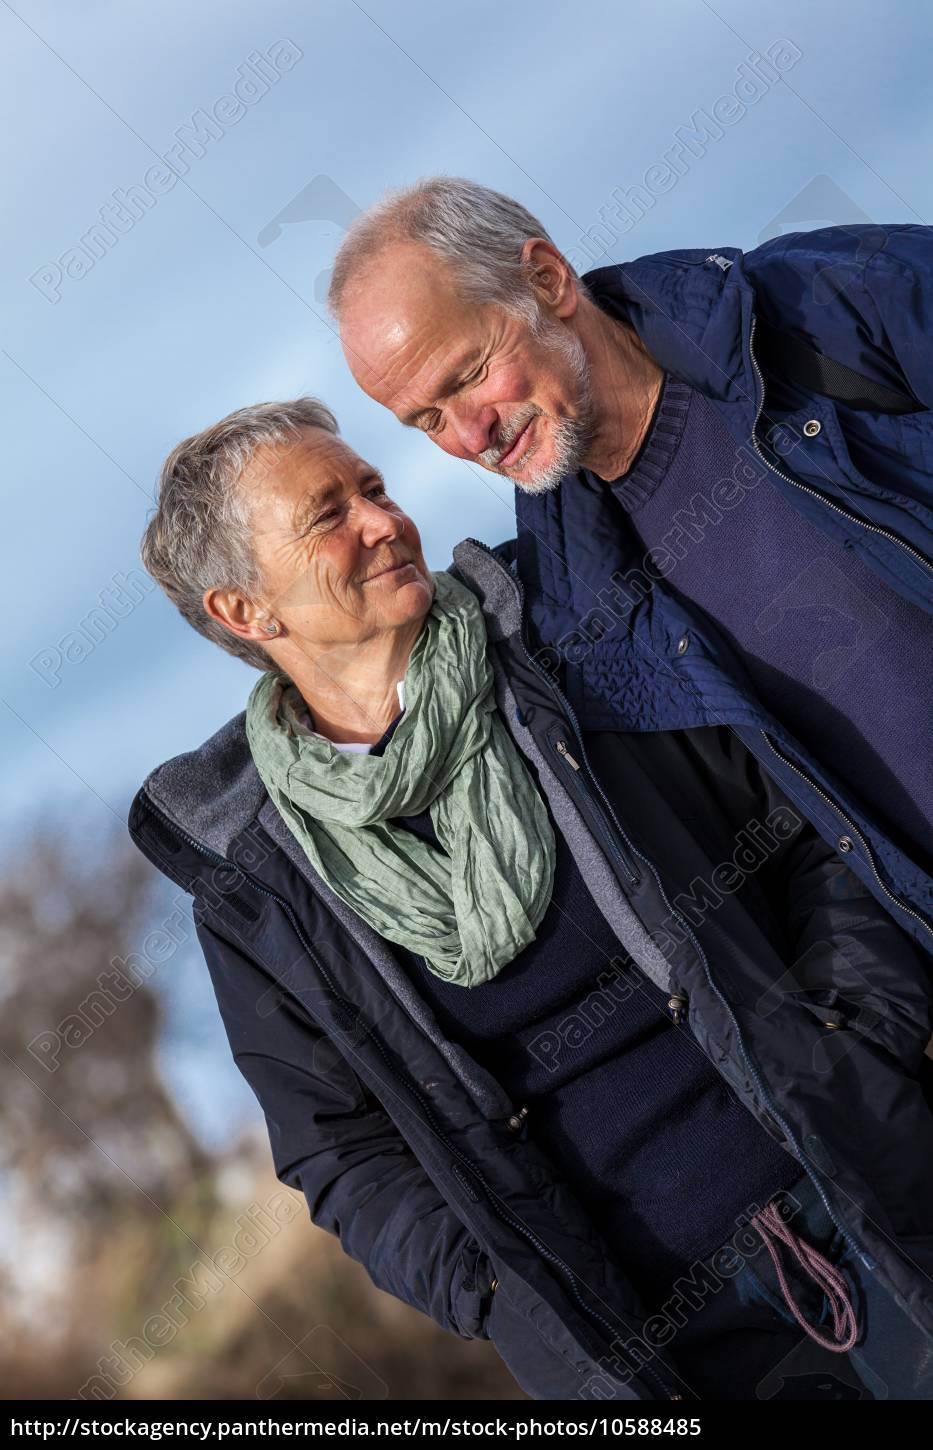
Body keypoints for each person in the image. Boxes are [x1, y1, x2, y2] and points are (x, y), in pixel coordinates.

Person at [129, 397, 933, 1400]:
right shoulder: (258, 876)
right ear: (247, 611)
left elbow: (807, 822)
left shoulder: (568, 639)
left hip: (874, 1183)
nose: (383, 521)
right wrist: (498, 1289)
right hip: (657, 1347)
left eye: (372, 488)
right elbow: (340, 1150)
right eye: (328, 514)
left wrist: (867, 1036)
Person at [328, 177, 933, 963]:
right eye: (426, 420)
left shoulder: (821, 309)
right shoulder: (576, 610)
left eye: (467, 375)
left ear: (546, 280)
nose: (469, 436)